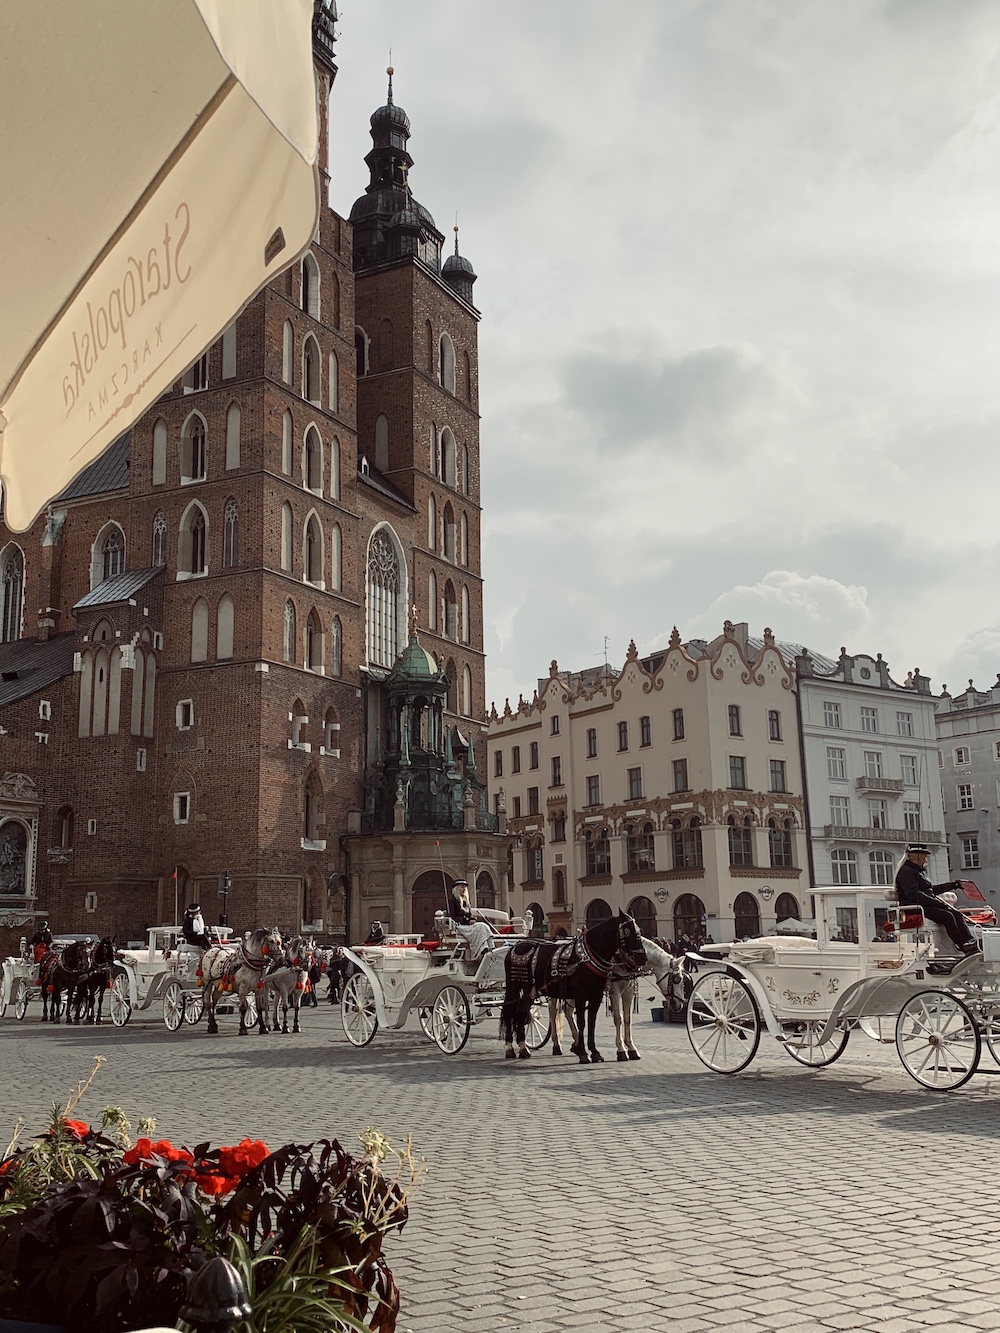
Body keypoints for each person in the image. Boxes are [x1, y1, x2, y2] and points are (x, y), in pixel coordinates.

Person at [894, 843, 978, 956]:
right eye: (923, 856)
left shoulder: (919, 871)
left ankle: (969, 940)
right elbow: (914, 894)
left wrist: (953, 885)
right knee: (947, 916)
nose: (925, 859)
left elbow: (931, 890)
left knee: (956, 913)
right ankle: (962, 945)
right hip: (916, 906)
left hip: (926, 904)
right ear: (914, 856)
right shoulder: (906, 871)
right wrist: (937, 903)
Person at [448, 879, 493, 960]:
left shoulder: (467, 902)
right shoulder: (452, 901)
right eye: (462, 887)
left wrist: (472, 919)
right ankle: (481, 949)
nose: (464, 889)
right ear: (457, 889)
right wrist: (467, 921)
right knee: (481, 927)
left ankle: (490, 947)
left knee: (484, 926)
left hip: (468, 925)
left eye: (465, 887)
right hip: (460, 926)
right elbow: (453, 917)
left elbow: (469, 915)